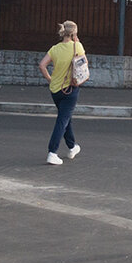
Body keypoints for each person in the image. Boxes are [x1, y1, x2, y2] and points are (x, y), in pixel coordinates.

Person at [38, 20, 87, 165]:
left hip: (55, 90)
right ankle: (52, 152)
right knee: (62, 120)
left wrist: (50, 79)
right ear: (74, 33)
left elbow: (42, 65)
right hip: (70, 90)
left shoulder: (55, 49)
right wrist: (77, 41)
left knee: (65, 118)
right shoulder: (77, 46)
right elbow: (84, 64)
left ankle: (72, 146)